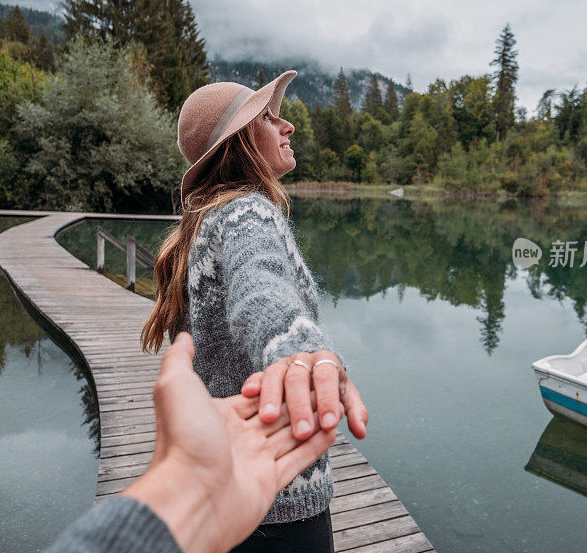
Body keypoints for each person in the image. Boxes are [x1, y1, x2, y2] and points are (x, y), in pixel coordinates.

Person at [141, 70, 369, 551]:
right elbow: (260, 285)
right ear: (239, 142)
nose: (287, 126)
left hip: (225, 498)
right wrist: (299, 347)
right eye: (269, 117)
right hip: (281, 503)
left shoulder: (200, 227)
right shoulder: (249, 212)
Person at [45, 333, 338, 553]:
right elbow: (263, 278)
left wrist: (189, 491)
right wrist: (302, 345)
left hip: (238, 501)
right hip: (272, 512)